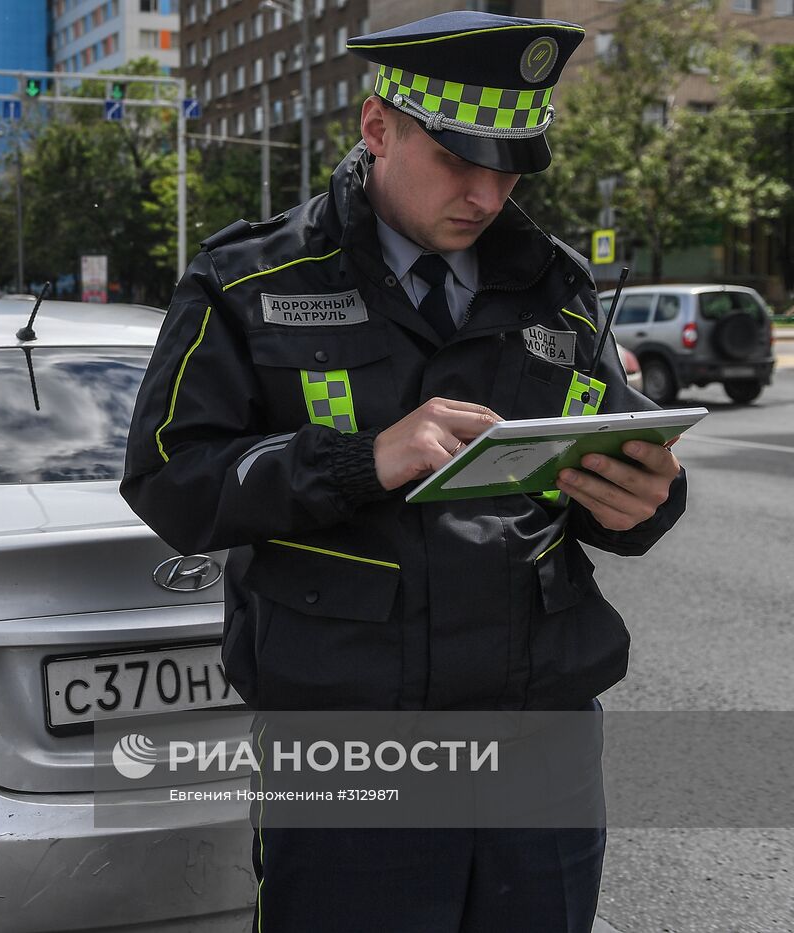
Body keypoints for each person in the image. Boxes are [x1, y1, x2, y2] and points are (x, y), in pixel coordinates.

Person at [120, 12, 687, 931]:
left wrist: (645, 501)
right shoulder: (251, 280)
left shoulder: (556, 283)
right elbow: (171, 481)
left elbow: (610, 449)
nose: (488, 191)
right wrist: (361, 460)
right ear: (377, 126)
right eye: (460, 158)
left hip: (537, 735)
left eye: (511, 165)